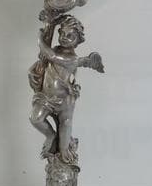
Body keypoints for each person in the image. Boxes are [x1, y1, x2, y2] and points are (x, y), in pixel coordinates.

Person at [29, 15, 104, 164]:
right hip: (46, 97)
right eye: (62, 33)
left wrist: (40, 38)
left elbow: (50, 55)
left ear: (78, 40)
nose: (64, 37)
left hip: (64, 100)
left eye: (70, 36)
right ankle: (51, 136)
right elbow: (47, 59)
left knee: (65, 123)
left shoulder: (72, 59)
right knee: (35, 119)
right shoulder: (56, 49)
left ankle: (64, 152)